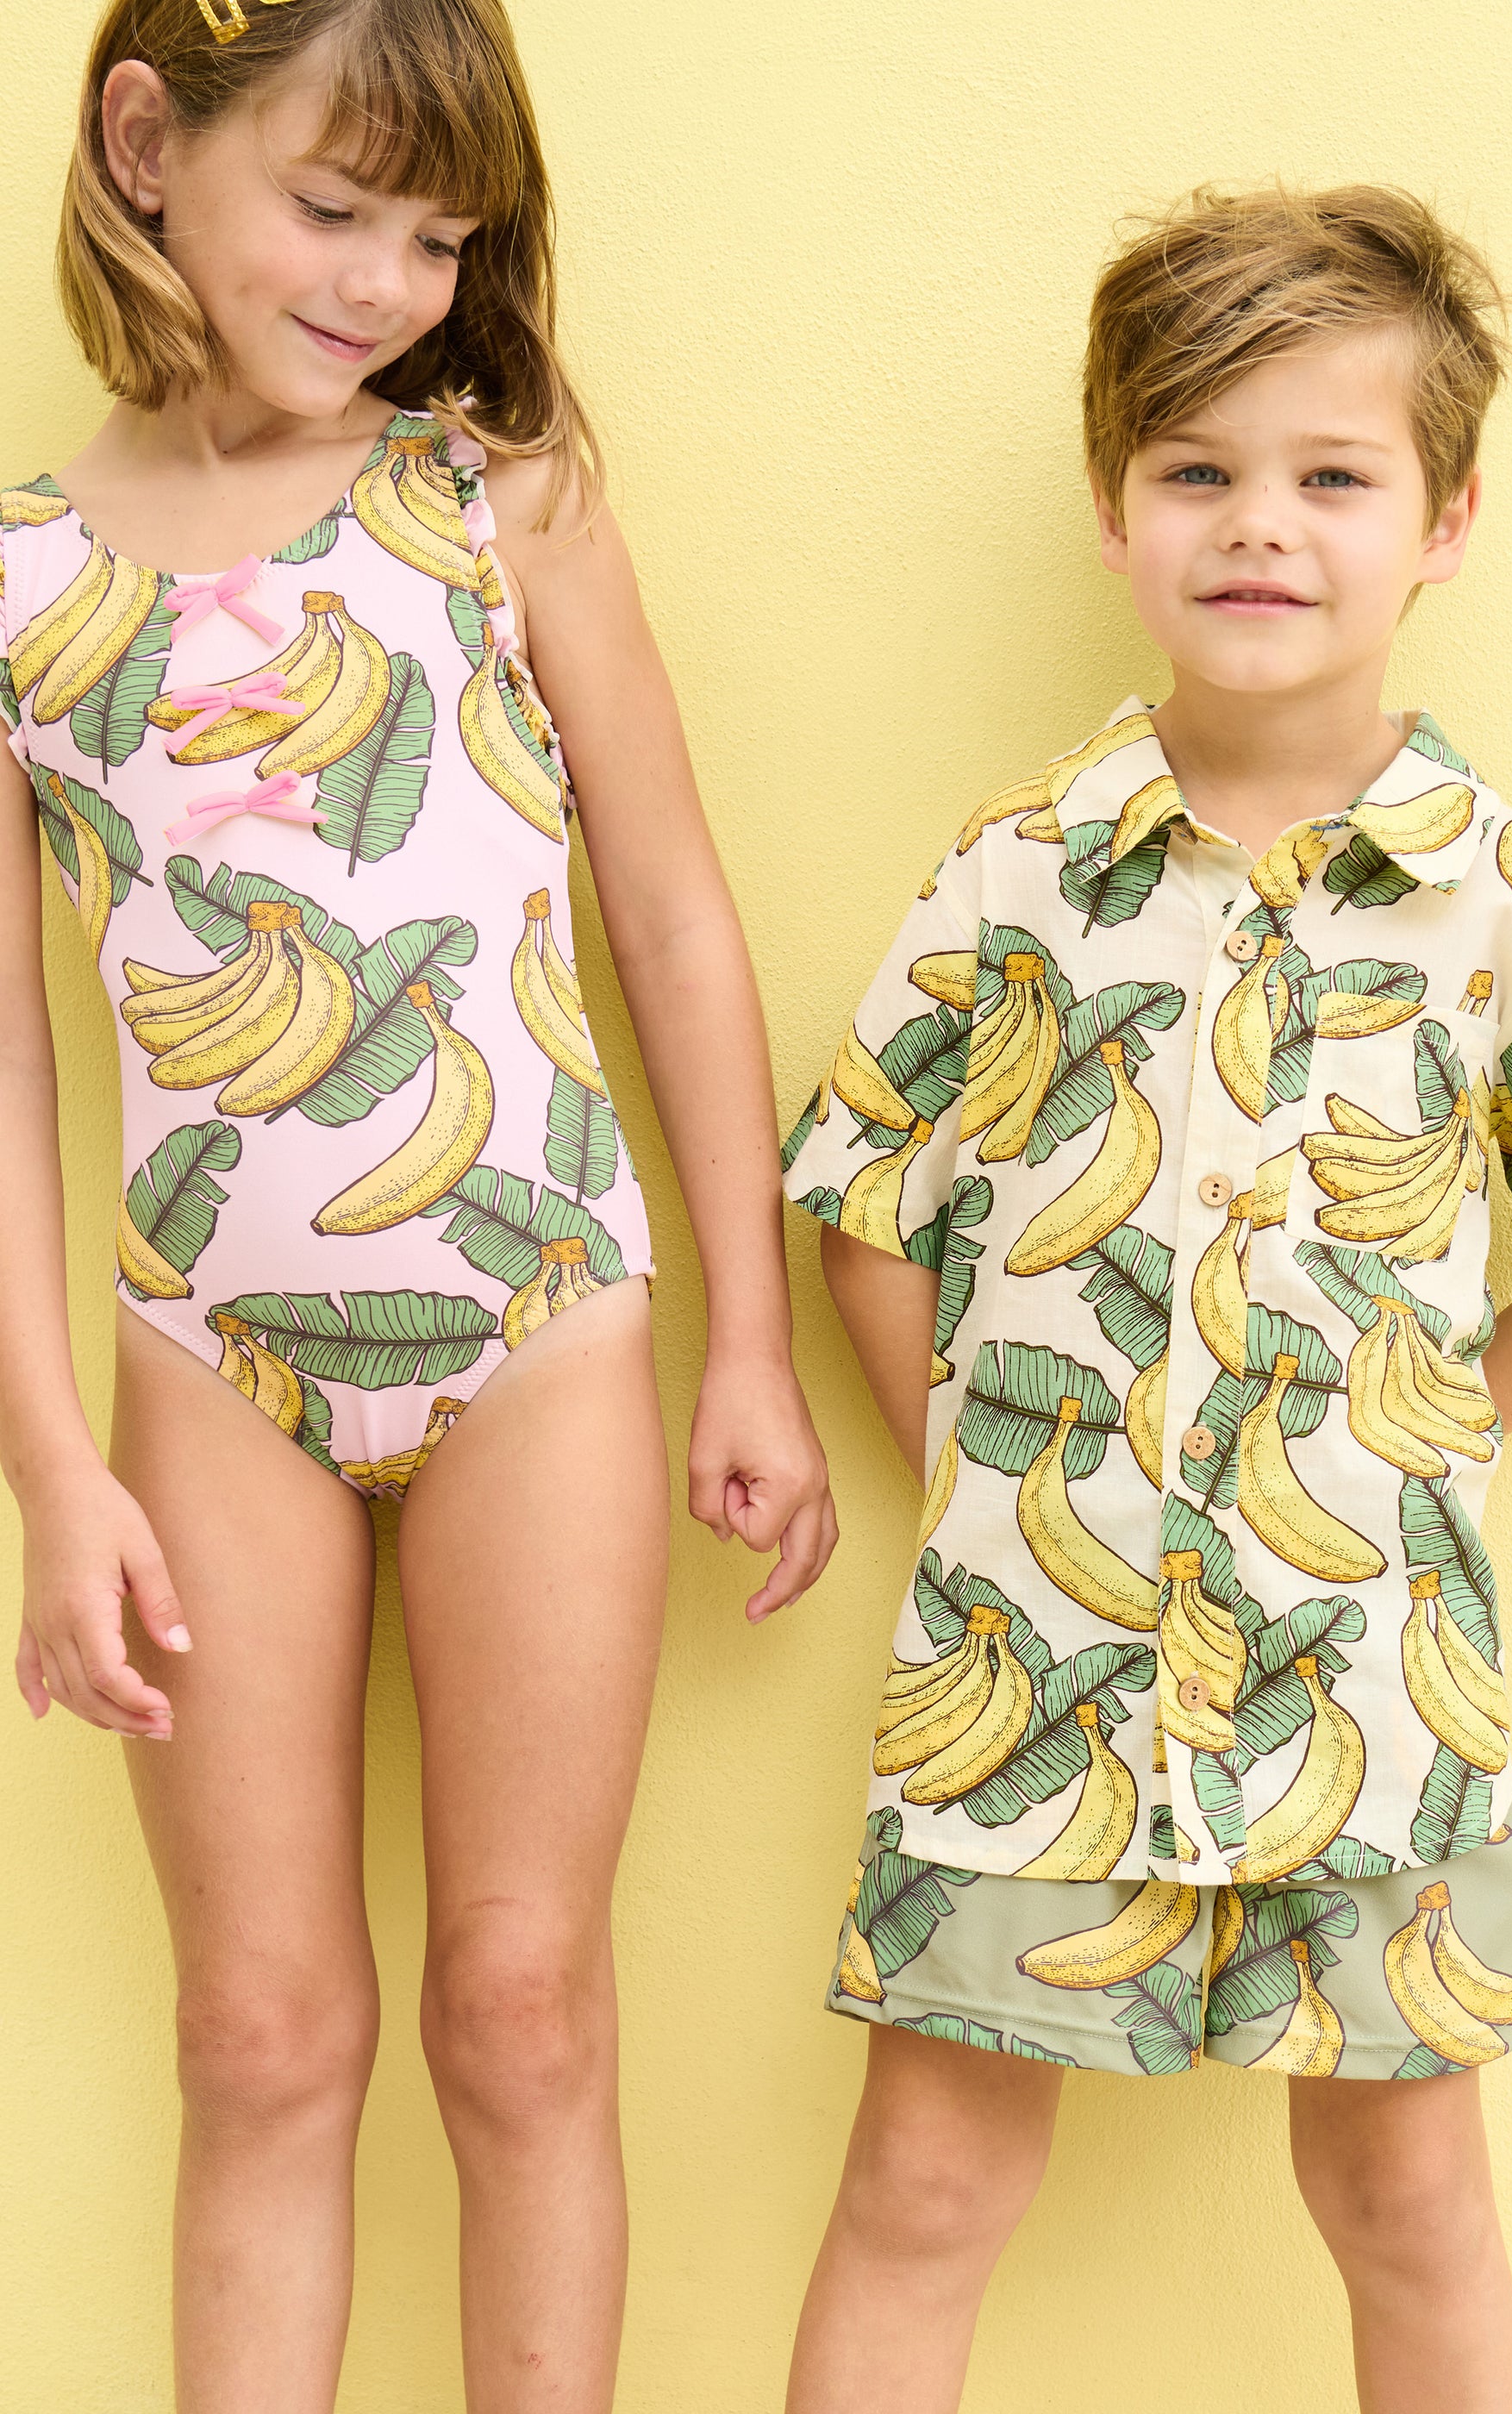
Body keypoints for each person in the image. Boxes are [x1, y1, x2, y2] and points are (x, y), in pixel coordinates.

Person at [778, 184, 1512, 2414]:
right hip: (1023, 1695)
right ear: (1116, 512)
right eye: (1196, 470)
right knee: (920, 2194)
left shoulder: (1498, 893)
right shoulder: (1024, 869)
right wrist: (990, 1483)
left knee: (1409, 2209)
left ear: (1445, 520)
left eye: (1331, 476)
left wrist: (1426, 1425)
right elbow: (860, 1196)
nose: (1259, 528)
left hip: (1375, 1697)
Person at [0, 3, 834, 2407]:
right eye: (333, 207)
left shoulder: (493, 491)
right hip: (204, 1370)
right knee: (260, 2034)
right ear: (147, 144)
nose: (384, 280)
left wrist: (753, 1345)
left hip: (543, 1326)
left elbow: (669, 914)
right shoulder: (30, 584)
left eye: (437, 233)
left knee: (522, 2003)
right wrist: (54, 1466)